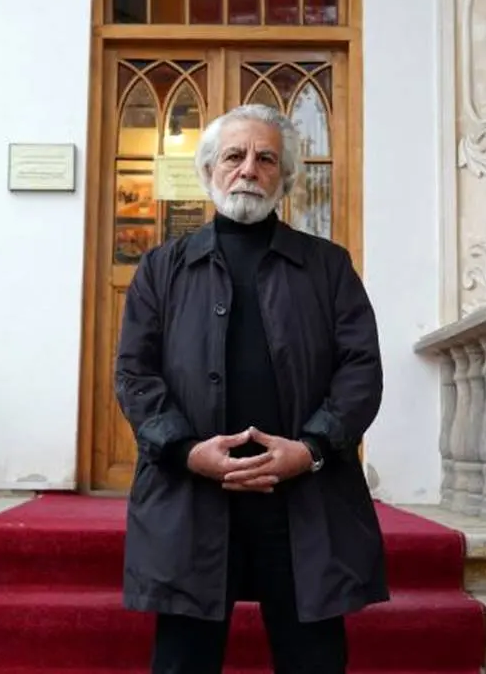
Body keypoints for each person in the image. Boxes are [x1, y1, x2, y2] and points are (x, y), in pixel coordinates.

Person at [114, 103, 387, 674]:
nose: (248, 169)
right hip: (191, 497)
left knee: (314, 661)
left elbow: (360, 370)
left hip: (302, 500)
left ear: (284, 177)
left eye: (266, 159)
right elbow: (135, 374)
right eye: (234, 156)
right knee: (183, 661)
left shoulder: (328, 266)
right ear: (209, 171)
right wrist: (186, 450)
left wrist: (310, 449)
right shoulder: (161, 269)